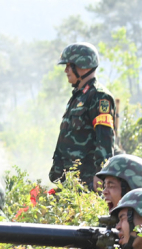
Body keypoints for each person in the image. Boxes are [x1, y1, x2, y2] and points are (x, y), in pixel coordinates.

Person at [49, 43, 117, 190]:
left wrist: (102, 173)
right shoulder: (79, 97)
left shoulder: (98, 97)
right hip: (70, 179)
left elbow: (104, 139)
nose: (66, 70)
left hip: (87, 181)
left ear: (82, 65)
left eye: (69, 65)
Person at [84, 155, 142, 249]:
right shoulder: (107, 225)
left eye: (111, 186)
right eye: (104, 186)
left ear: (132, 190)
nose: (105, 192)